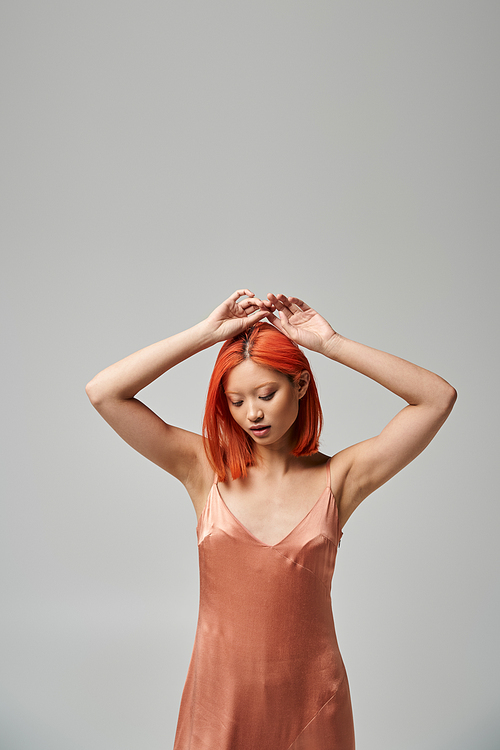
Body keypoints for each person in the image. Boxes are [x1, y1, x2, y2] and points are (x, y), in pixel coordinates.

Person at [85, 290, 456, 750]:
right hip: (219, 702)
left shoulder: (338, 478)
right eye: (236, 401)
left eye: (266, 393)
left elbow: (437, 399)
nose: (253, 413)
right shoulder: (204, 469)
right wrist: (205, 335)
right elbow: (104, 392)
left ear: (300, 385)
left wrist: (331, 343)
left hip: (312, 704)